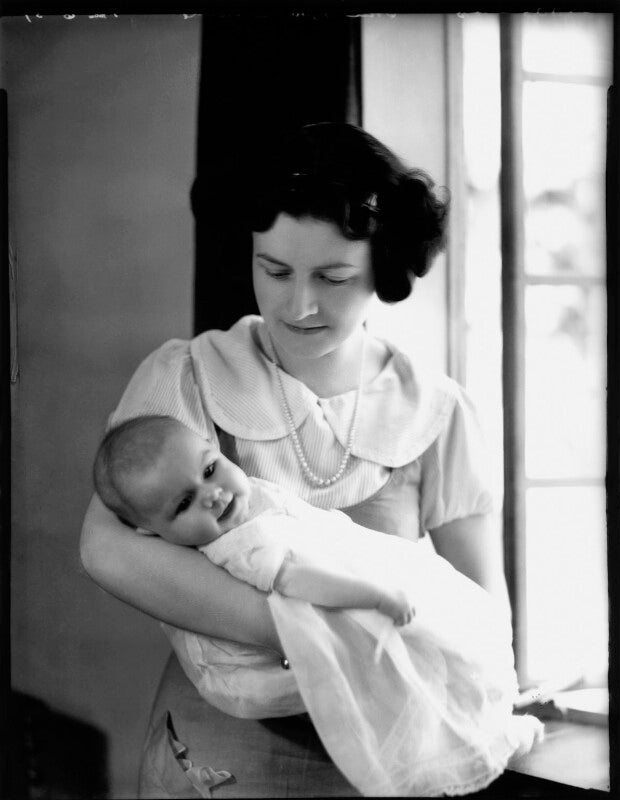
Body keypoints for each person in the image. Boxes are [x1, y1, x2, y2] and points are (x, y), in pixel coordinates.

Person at [80, 122, 516, 798]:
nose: (299, 305)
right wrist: (312, 629)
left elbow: (481, 618)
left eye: (334, 277)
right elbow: (108, 551)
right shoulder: (189, 377)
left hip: (380, 755)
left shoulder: (438, 411)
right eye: (274, 270)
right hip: (221, 747)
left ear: (385, 267)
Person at [92, 414, 541, 796]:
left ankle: (488, 725)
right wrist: (377, 596)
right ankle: (480, 739)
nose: (211, 494)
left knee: (436, 647)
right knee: (409, 667)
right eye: (184, 503)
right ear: (152, 534)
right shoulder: (241, 546)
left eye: (210, 470)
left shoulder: (244, 504)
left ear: (215, 449)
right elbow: (305, 582)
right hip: (312, 627)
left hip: (328, 597)